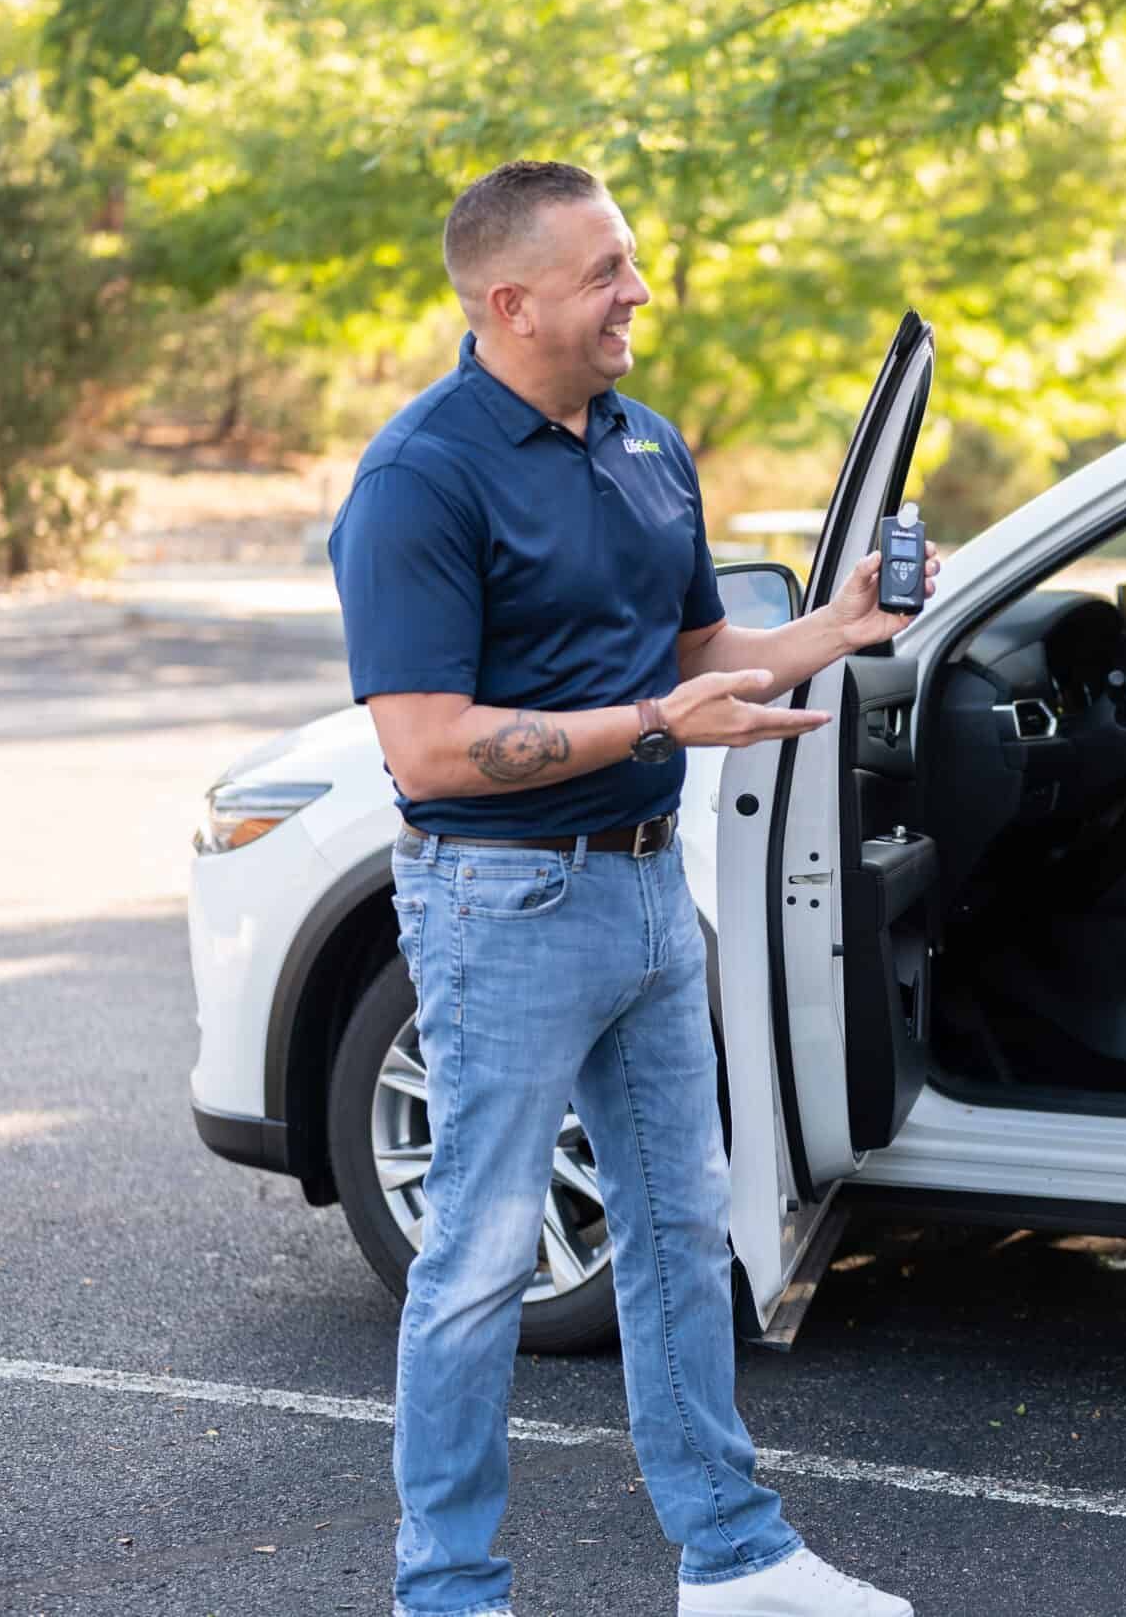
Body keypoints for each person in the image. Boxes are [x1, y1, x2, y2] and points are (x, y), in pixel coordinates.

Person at [328, 159, 927, 1617]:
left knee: (682, 1228)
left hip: (654, 897)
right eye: (606, 273)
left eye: (633, 262)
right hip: (503, 906)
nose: (638, 293)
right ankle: (449, 1592)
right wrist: (660, 726)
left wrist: (831, 635)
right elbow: (431, 749)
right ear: (508, 299)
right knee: (475, 1262)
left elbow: (690, 657)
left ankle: (734, 1559)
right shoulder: (420, 479)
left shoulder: (647, 442)